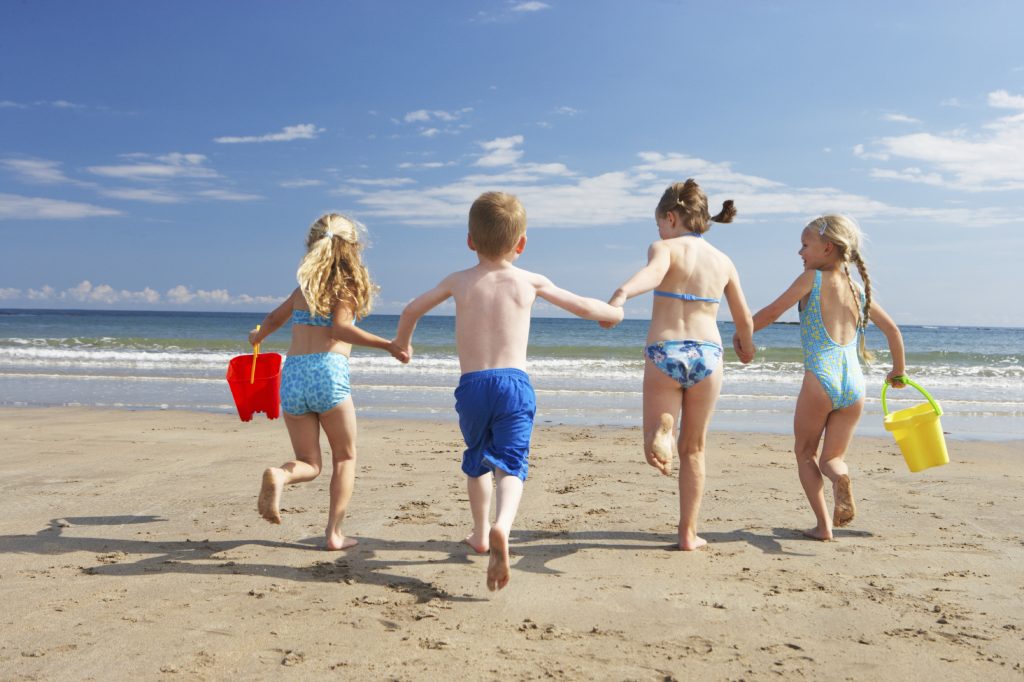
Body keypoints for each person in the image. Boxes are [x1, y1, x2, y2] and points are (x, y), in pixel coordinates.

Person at [395, 191, 623, 591]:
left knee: (477, 458)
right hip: (513, 384)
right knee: (512, 463)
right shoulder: (530, 280)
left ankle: (481, 534)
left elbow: (412, 308)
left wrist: (403, 343)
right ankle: (504, 525)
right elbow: (585, 307)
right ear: (521, 244)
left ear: (470, 240)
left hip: (472, 387)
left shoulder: (458, 281)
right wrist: (614, 313)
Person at [606, 179, 755, 551]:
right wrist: (746, 345)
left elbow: (653, 275)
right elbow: (744, 317)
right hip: (709, 355)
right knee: (695, 450)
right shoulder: (724, 261)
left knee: (654, 438)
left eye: (659, 224)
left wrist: (623, 292)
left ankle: (662, 429)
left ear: (670, 218)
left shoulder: (664, 248)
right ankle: (688, 534)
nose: (658, 231)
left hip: (664, 351)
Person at [249, 213, 408, 550]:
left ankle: (282, 474)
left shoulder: (301, 289)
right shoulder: (346, 286)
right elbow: (340, 329)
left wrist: (259, 334)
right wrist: (388, 344)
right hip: (327, 373)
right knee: (345, 457)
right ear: (352, 249)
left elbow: (274, 319)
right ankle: (334, 534)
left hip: (292, 376)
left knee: (308, 462)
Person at [744, 214, 906, 541]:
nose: (799, 252)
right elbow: (892, 330)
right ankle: (840, 478)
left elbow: (771, 313)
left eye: (805, 245)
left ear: (827, 248)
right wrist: (897, 371)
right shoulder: (856, 289)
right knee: (833, 459)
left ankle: (823, 526)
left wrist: (740, 335)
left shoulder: (810, 279)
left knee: (805, 453)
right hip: (854, 386)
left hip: (821, 378)